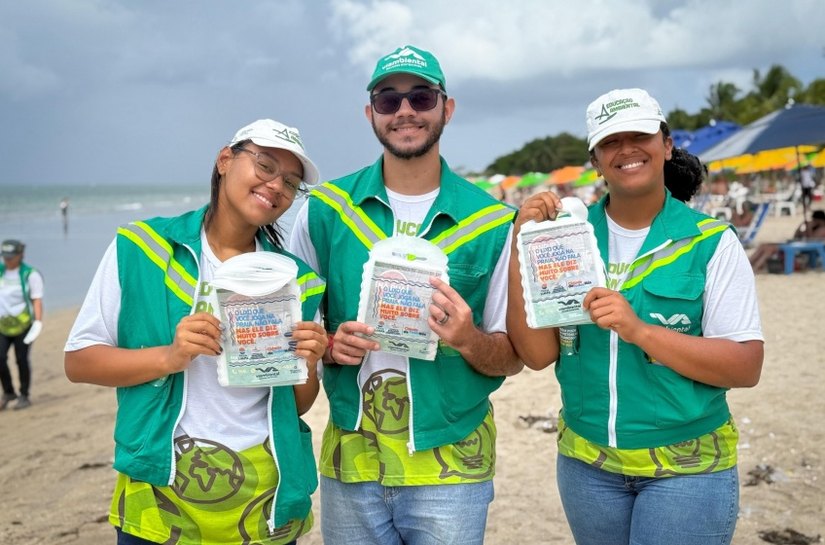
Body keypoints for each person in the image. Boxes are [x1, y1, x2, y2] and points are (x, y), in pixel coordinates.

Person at [506, 88, 764, 545]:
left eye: (639, 136)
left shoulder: (711, 242)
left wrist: (640, 331)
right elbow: (537, 355)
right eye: (610, 142)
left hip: (687, 470)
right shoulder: (565, 238)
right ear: (595, 161)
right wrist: (521, 243)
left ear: (666, 145)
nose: (626, 149)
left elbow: (745, 366)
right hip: (587, 467)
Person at [289, 44, 521, 544]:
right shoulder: (325, 209)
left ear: (446, 108)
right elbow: (292, 331)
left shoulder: (494, 222)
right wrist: (328, 346)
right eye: (388, 100)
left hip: (453, 463)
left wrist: (467, 338)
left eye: (421, 97)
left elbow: (512, 357)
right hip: (352, 460)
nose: (406, 111)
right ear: (370, 112)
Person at [64, 119, 327, 545]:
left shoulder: (296, 279)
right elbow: (79, 362)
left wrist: (308, 364)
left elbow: (296, 404)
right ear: (225, 160)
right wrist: (169, 357)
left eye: (291, 182)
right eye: (265, 165)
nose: (276, 186)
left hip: (265, 501)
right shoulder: (143, 248)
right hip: (159, 496)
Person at [0, 239, 44, 410]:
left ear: (20, 255)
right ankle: (8, 392)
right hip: (3, 326)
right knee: (0, 358)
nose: (7, 260)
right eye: (5, 257)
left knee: (21, 359)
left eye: (11, 257)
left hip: (23, 326)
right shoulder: (1, 272)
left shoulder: (30, 274)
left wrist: (38, 322)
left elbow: (36, 300)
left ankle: (24, 395)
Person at [749, 209, 825, 272]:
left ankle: (755, 268)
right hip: (798, 245)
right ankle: (749, 264)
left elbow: (812, 240)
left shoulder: (822, 229)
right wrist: (801, 225)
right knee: (763, 245)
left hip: (809, 248)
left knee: (769, 249)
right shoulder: (815, 228)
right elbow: (796, 236)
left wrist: (809, 228)